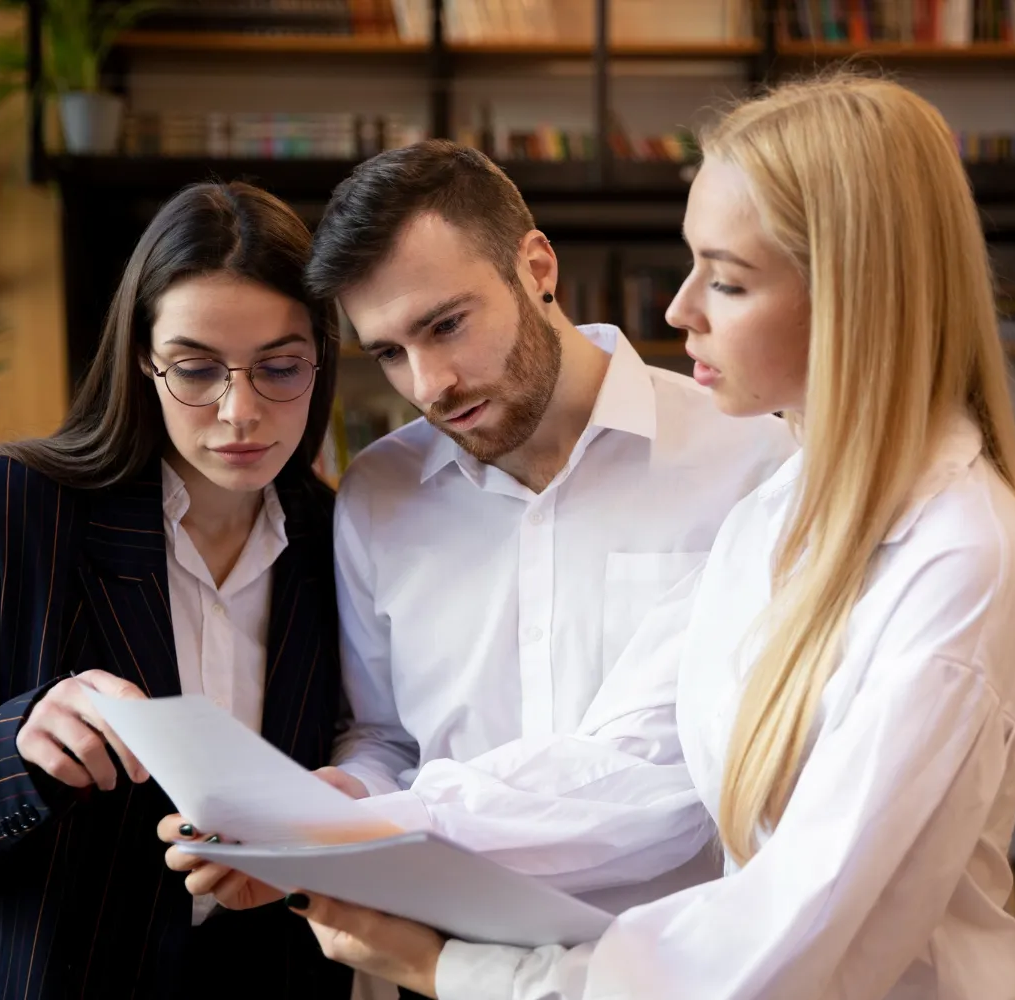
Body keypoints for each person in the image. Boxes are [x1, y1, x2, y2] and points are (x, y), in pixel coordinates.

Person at [275, 70, 1015, 1000]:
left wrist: (455, 967)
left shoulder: (960, 560)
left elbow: (801, 930)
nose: (677, 309)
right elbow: (637, 761)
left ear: (856, 295)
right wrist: (337, 827)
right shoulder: (780, 512)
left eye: (728, 279)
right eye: (692, 263)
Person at [160, 137, 800, 998]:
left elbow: (688, 770)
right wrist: (334, 799)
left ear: (536, 265)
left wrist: (351, 830)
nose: (429, 383)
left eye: (446, 324)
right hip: (444, 977)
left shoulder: (750, 460)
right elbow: (386, 736)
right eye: (387, 352)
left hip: (669, 970)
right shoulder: (378, 493)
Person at [0, 181, 355, 999]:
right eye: (195, 369)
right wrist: (18, 745)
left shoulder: (339, 537)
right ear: (144, 359)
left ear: (321, 356)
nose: (239, 410)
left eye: (280, 367)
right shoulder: (2, 511)